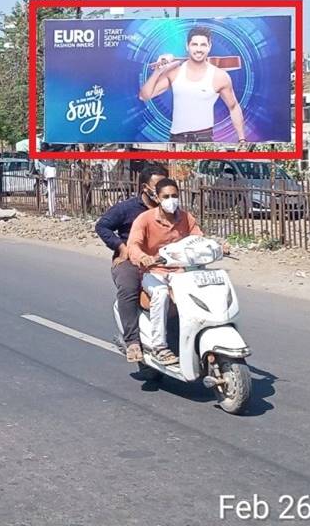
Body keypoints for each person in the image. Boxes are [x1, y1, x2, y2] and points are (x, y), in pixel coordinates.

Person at [94, 163, 169, 363]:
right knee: (128, 288)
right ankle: (133, 341)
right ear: (145, 188)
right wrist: (121, 247)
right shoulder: (127, 209)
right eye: (158, 186)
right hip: (132, 261)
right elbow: (102, 226)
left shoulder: (172, 210)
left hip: (164, 261)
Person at [126, 178, 203, 366]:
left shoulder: (186, 218)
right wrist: (143, 257)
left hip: (180, 272)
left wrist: (217, 247)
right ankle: (159, 346)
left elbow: (198, 238)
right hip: (153, 272)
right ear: (157, 198)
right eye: (166, 196)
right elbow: (133, 245)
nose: (171, 200)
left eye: (175, 196)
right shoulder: (144, 219)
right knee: (160, 293)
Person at [137, 25, 247, 145]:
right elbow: (144, 96)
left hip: (204, 139)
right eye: (194, 44)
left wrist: (242, 140)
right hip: (176, 139)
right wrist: (158, 71)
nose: (198, 49)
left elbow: (233, 107)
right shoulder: (174, 72)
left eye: (203, 45)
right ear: (187, 46)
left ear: (209, 47)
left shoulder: (220, 76)